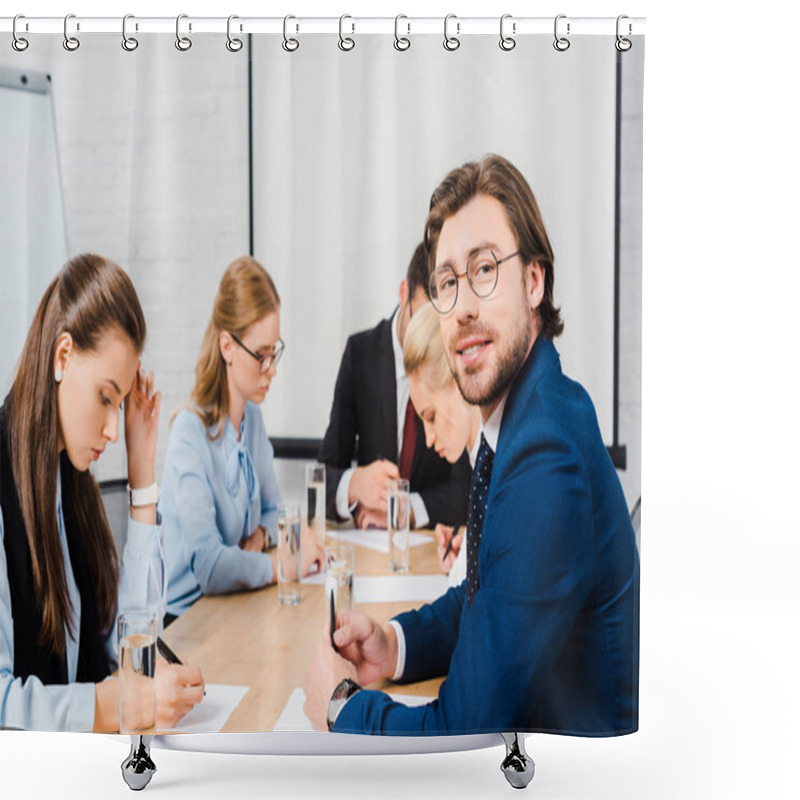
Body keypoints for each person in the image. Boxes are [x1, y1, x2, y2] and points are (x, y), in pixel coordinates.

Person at [304, 155, 639, 736]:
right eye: (447, 283)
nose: (461, 308)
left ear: (534, 280)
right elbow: (487, 603)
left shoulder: (545, 452)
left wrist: (341, 708)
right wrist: (395, 644)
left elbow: (464, 733)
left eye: (484, 269)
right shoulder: (526, 417)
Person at [0, 253, 204, 732]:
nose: (113, 429)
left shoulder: (68, 481)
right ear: (63, 356)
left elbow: (128, 640)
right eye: (104, 397)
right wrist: (112, 707)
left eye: (119, 402)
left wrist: (141, 472)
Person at [161, 256, 323, 620]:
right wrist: (282, 566)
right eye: (261, 355)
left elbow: (272, 508)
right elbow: (209, 564)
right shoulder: (189, 433)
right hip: (184, 621)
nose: (272, 369)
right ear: (227, 347)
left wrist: (261, 537)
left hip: (233, 603)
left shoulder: (251, 417)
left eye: (274, 351)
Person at [318, 243, 471, 531]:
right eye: (420, 320)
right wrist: (354, 485)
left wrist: (403, 509)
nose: (427, 340)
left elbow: (469, 486)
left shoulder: (453, 359)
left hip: (428, 551)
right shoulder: (360, 355)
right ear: (404, 295)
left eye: (437, 326)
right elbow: (320, 480)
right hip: (370, 550)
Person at [402, 303, 482, 586]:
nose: (429, 438)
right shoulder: (482, 458)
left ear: (458, 379)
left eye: (431, 416)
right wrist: (466, 561)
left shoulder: (508, 459)